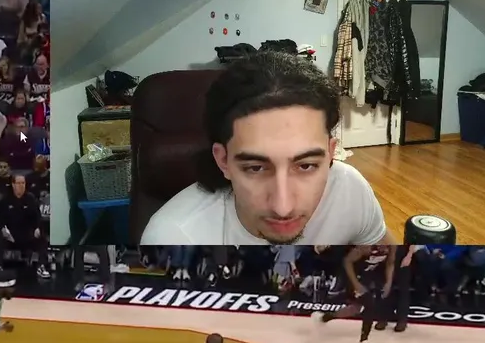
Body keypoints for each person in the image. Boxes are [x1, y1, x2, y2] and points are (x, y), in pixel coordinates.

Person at [140, 52, 396, 246]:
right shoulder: (173, 239)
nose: (283, 208)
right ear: (223, 161)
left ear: (331, 153)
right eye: (255, 168)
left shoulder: (350, 191)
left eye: (306, 165)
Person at [315, 245, 396, 343]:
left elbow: (390, 263)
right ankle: (364, 341)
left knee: (355, 308)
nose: (384, 249)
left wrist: (388, 283)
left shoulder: (392, 246)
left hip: (366, 275)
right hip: (352, 275)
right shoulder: (366, 246)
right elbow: (347, 261)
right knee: (369, 304)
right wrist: (356, 284)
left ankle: (325, 317)